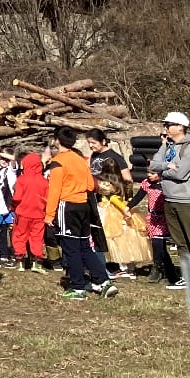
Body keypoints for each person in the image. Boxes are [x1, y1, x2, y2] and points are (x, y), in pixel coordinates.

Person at [46, 128, 115, 300]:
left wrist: (49, 215)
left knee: (71, 248)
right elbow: (91, 185)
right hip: (83, 205)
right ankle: (103, 280)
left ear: (56, 141)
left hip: (66, 205)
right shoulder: (80, 160)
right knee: (85, 246)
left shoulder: (58, 162)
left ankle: (77, 287)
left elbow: (55, 190)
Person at [148, 113, 190, 269]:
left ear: (180, 127)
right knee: (179, 241)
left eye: (169, 125)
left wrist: (161, 172)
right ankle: (188, 274)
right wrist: (166, 166)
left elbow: (181, 174)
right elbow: (152, 165)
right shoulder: (168, 146)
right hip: (169, 199)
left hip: (188, 201)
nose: (165, 128)